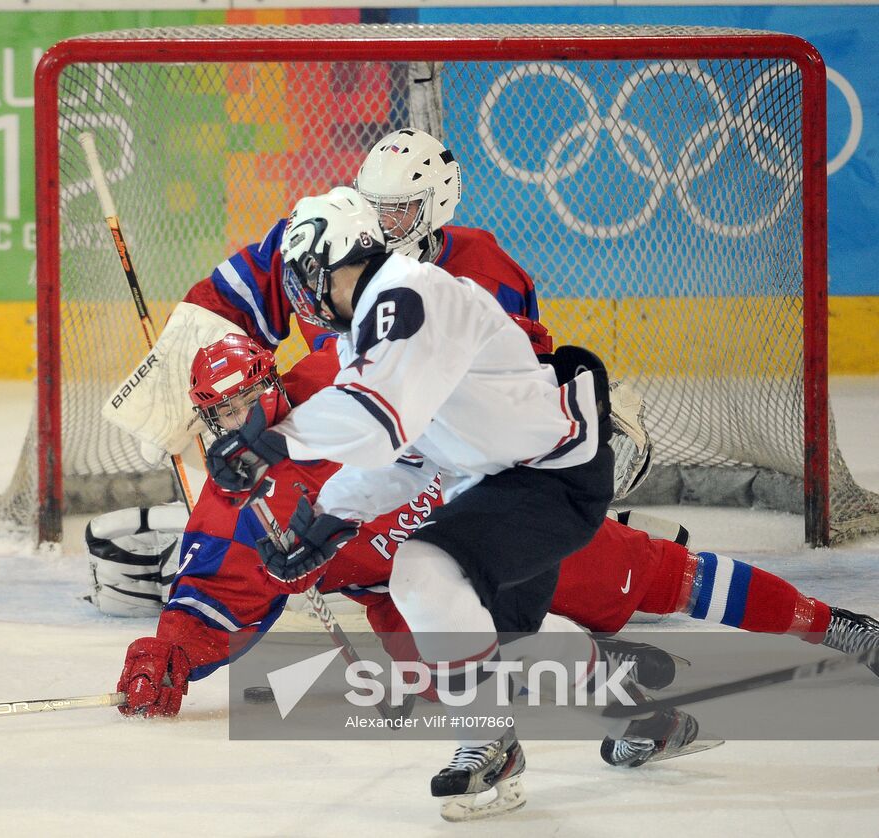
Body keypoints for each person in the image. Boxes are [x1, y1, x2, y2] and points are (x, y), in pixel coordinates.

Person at [130, 127, 877, 670]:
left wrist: (280, 455)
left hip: (519, 480)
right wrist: (175, 648)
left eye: (247, 401)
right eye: (222, 415)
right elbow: (214, 592)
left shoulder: (422, 299)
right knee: (451, 654)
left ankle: (832, 625)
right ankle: (591, 696)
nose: (240, 418)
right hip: (445, 522)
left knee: (646, 574)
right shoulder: (339, 358)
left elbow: (386, 416)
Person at [202, 186, 625, 819]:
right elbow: (407, 456)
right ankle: (644, 708)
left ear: (342, 261)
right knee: (499, 645)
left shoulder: (410, 295)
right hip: (498, 481)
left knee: (423, 570)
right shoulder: (371, 331)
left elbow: (378, 422)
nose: (304, 297)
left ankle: (488, 743)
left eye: (308, 278)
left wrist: (269, 445)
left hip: (552, 476)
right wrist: (331, 518)